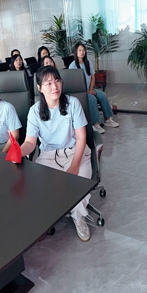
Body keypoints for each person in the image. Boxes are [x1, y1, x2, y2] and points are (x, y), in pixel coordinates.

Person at [16, 66, 93, 242]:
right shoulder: (35, 111)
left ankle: (78, 217)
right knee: (36, 188)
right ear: (39, 88)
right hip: (48, 156)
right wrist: (18, 152)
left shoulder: (73, 103)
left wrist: (74, 165)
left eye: (57, 81)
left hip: (75, 152)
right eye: (48, 83)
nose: (54, 86)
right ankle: (45, 220)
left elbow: (81, 137)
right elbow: (30, 143)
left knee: (79, 185)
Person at [69, 41, 119, 134]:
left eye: (83, 50)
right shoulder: (73, 66)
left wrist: (91, 89)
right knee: (92, 99)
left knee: (102, 95)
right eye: (79, 50)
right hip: (80, 91)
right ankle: (95, 123)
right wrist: (87, 91)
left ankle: (107, 119)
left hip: (89, 89)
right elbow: (73, 83)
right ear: (75, 52)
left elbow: (93, 77)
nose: (82, 52)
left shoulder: (88, 63)